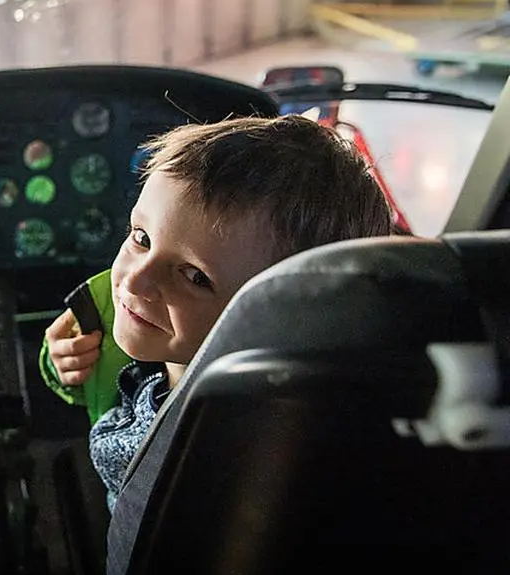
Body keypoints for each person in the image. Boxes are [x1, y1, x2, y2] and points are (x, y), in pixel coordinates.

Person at [41, 114, 397, 511]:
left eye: (195, 277)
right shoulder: (156, 327)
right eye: (141, 238)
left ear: (287, 318)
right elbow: (109, 368)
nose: (135, 282)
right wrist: (67, 368)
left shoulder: (179, 452)